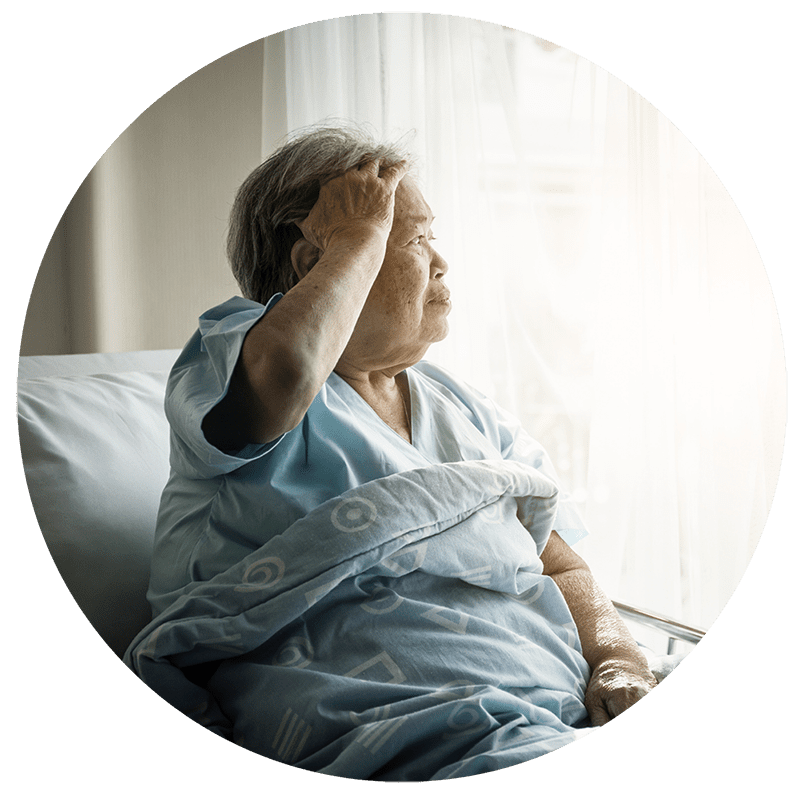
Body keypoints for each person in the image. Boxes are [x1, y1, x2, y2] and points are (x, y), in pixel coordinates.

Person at [140, 124, 656, 778]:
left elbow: (562, 567)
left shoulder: (471, 414)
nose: (440, 262)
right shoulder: (232, 355)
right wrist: (356, 236)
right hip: (394, 725)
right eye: (411, 239)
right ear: (314, 262)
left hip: (551, 711)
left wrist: (617, 657)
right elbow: (287, 373)